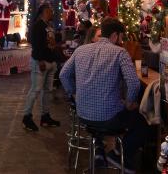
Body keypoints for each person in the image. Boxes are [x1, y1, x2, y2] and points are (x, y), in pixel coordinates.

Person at [60, 18, 144, 173]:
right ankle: (117, 155)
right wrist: (129, 102)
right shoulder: (120, 52)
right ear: (115, 35)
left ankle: (99, 149)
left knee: (105, 113)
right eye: (121, 36)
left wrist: (74, 94)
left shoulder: (81, 50)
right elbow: (134, 83)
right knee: (143, 120)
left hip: (83, 115)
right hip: (108, 119)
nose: (121, 40)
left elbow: (63, 74)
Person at [22, 3, 61, 131]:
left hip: (50, 62)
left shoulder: (48, 26)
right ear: (44, 12)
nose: (52, 13)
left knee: (47, 90)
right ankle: (27, 116)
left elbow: (51, 42)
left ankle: (45, 116)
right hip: (41, 62)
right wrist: (40, 60)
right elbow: (36, 44)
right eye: (50, 11)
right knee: (36, 90)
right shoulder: (37, 26)